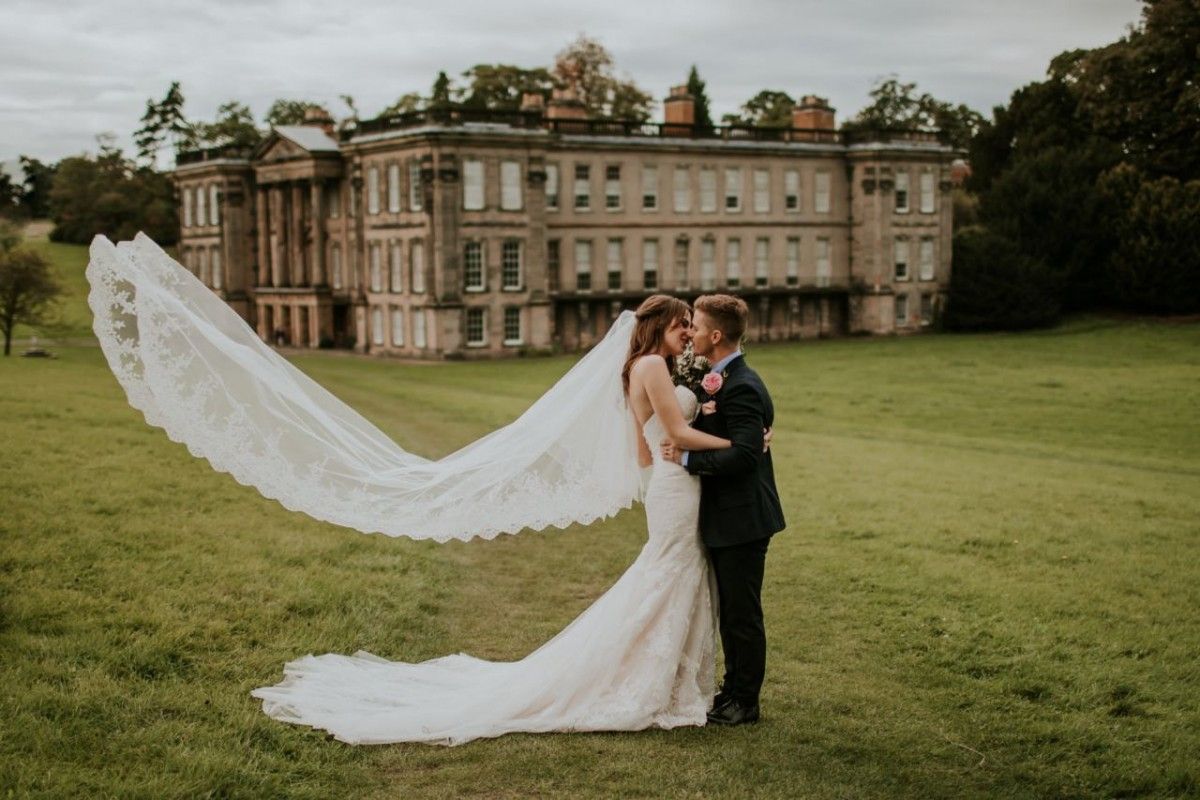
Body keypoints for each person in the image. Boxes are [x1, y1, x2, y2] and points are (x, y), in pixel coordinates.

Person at [250, 295, 737, 744]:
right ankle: (648, 682)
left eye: (690, 326)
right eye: (681, 324)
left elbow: (643, 447)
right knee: (669, 573)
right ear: (658, 325)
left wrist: (678, 449)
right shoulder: (653, 363)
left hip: (671, 482)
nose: (688, 332)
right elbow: (674, 431)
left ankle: (668, 680)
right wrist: (737, 445)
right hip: (676, 483)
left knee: (674, 573)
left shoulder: (642, 367)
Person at [662, 294, 786, 726]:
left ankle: (745, 702)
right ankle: (731, 691)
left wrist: (688, 460)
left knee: (741, 614)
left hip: (744, 518)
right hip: (727, 516)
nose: (691, 333)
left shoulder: (744, 385)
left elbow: (747, 456)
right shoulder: (719, 379)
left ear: (715, 335)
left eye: (696, 327)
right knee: (731, 612)